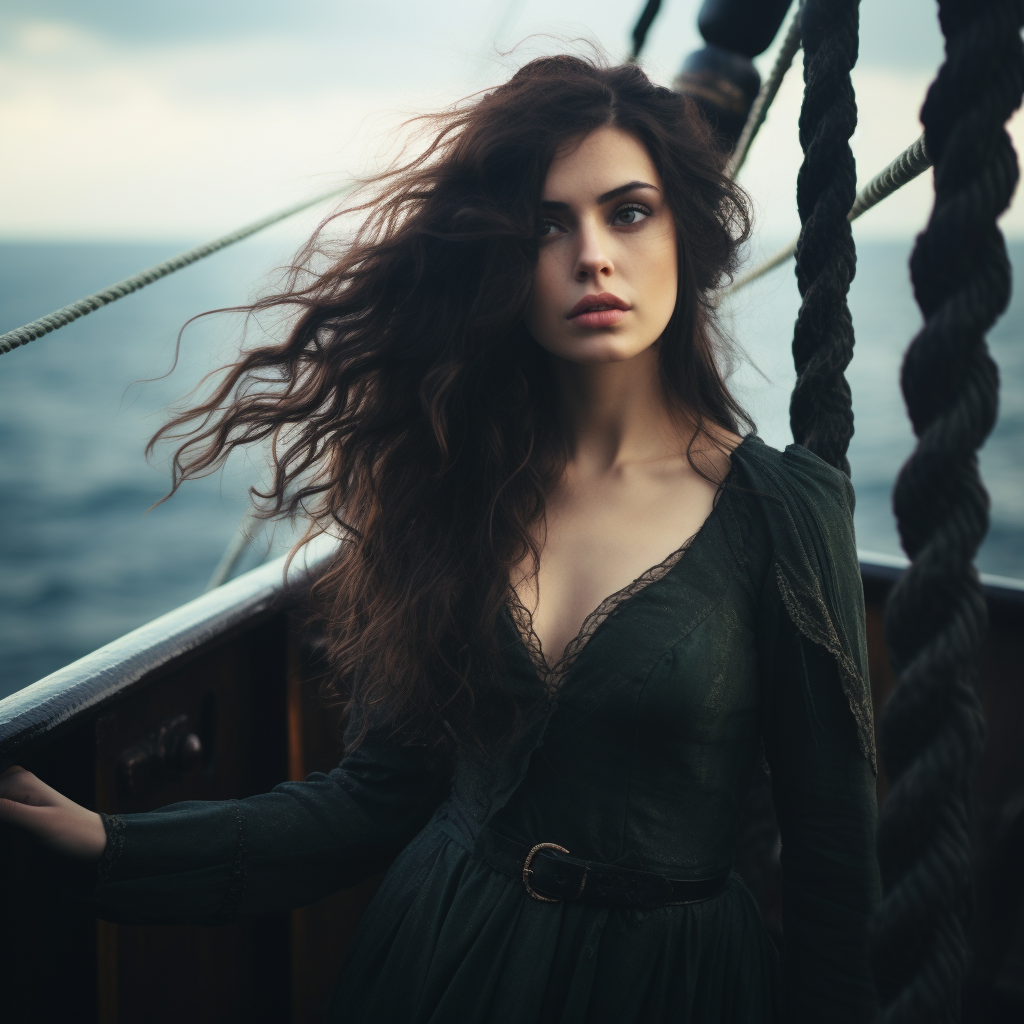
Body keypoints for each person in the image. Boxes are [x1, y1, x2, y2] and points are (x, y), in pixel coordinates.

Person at [0, 55, 879, 1023]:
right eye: (547, 224)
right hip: (435, 958)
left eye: (628, 211)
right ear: (501, 257)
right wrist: (112, 844)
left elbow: (835, 866)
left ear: (688, 232)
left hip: (667, 983)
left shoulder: (783, 510)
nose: (591, 255)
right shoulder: (445, 487)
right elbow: (372, 799)